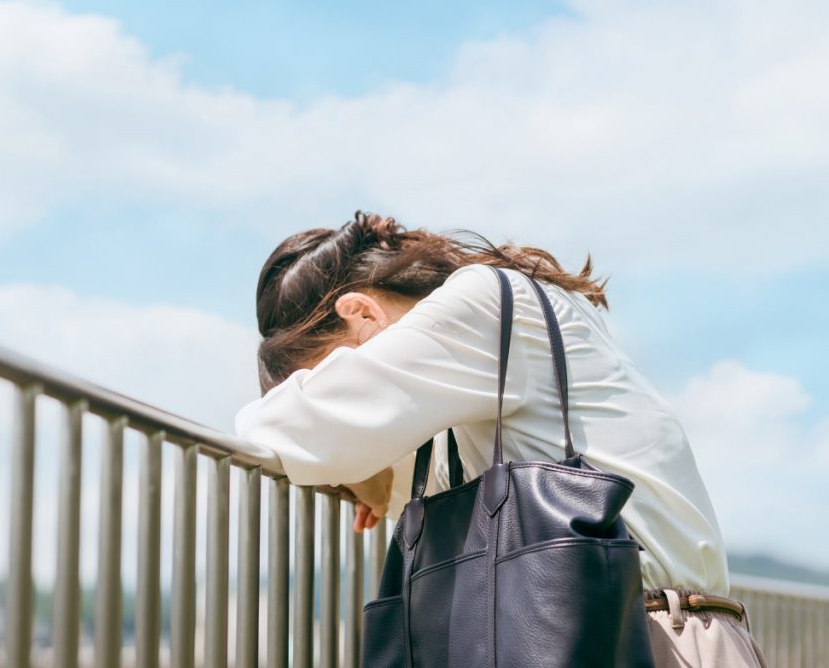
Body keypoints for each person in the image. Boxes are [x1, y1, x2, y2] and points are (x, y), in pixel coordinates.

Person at [234, 211, 767, 667]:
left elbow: (288, 427)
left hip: (649, 639)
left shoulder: (485, 302)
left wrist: (333, 441)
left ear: (362, 313)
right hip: (630, 631)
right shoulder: (472, 385)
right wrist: (373, 478)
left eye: (329, 372)